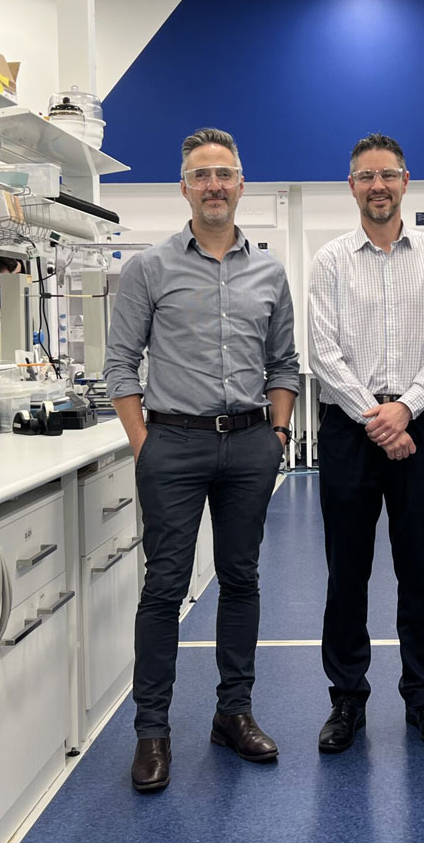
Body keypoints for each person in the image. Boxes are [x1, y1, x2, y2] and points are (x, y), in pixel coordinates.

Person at [105, 127, 299, 792]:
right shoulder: (149, 268)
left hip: (250, 444)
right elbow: (120, 367)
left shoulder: (270, 271)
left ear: (241, 184)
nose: (214, 184)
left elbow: (285, 364)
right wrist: (144, 444)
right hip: (174, 444)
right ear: (184, 187)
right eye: (201, 174)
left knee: (241, 580)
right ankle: (152, 731)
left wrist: (276, 435)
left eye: (225, 173)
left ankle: (232, 714)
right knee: (165, 587)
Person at [308, 133, 424, 752]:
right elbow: (323, 352)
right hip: (351, 430)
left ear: (406, 181)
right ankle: (346, 699)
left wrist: (404, 409)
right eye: (366, 176)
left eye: (389, 175)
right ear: (352, 186)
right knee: (346, 572)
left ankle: (423, 695)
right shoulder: (329, 261)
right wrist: (376, 418)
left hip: (417, 423)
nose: (378, 185)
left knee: (417, 569)